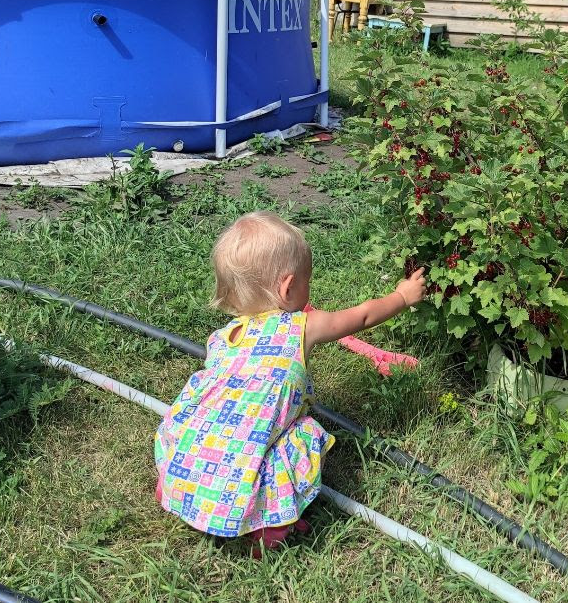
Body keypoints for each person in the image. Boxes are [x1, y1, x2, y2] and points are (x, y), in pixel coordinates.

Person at [154, 210, 427, 555]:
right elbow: (363, 315)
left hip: (194, 461)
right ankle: (271, 524)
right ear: (287, 287)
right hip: (238, 474)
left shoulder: (222, 338)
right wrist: (403, 297)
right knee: (309, 435)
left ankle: (172, 484)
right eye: (306, 281)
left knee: (195, 424)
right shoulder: (302, 326)